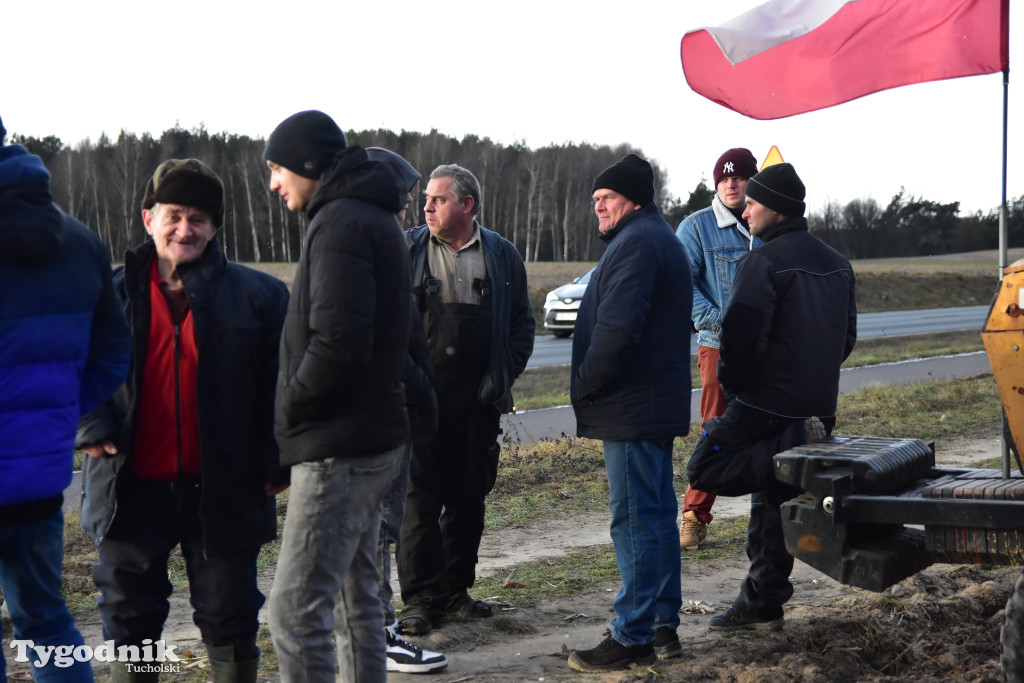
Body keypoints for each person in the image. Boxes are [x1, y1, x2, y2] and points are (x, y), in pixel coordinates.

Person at [76, 158, 290, 682]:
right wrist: (89, 422)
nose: (184, 228)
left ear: (216, 225)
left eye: (198, 217)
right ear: (148, 218)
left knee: (230, 614)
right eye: (173, 214)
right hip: (130, 489)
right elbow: (72, 363)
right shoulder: (108, 294)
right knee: (129, 621)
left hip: (223, 490)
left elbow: (280, 388)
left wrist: (275, 458)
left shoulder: (260, 297)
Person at [264, 111, 412, 683]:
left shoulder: (341, 224)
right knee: (357, 602)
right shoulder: (366, 217)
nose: (275, 184)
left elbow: (339, 344)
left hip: (338, 448)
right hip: (367, 439)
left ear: (306, 164)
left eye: (277, 168)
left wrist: (291, 410)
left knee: (294, 614)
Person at [686, 162, 857, 631]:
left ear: (776, 210)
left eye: (754, 204)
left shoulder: (761, 261)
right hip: (819, 406)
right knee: (774, 500)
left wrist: (741, 391)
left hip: (766, 405)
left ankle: (787, 445)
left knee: (704, 466)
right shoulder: (838, 263)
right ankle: (762, 601)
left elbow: (740, 341)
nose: (746, 213)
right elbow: (846, 340)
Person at [0, 117, 130, 683]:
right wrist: (55, 412)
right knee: (46, 619)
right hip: (35, 478)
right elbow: (110, 352)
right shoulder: (78, 241)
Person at [397, 163, 535, 636]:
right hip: (420, 401)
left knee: (468, 498)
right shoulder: (409, 249)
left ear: (467, 205)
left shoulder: (502, 256)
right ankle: (419, 600)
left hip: (477, 402)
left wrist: (501, 378)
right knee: (418, 502)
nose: (426, 206)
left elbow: (521, 327)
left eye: (438, 199)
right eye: (426, 199)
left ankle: (455, 592)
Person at [568, 153, 692, 672]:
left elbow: (617, 332)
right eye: (595, 199)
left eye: (606, 199)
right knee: (658, 515)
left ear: (634, 199)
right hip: (648, 404)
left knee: (637, 519)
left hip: (632, 406)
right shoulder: (654, 238)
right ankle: (662, 623)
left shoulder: (637, 243)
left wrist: (585, 386)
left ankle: (633, 632)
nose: (597, 208)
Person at [364, 147, 447, 674]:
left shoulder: (380, 238)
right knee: (378, 529)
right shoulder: (378, 241)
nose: (413, 201)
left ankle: (369, 629)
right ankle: (377, 634)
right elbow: (388, 337)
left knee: (380, 527)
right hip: (383, 413)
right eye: (407, 191)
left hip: (392, 407)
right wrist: (420, 390)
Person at [675, 148, 761, 549]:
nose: (731, 183)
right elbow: (682, 285)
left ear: (752, 182)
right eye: (725, 178)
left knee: (775, 425)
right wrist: (719, 322)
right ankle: (694, 515)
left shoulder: (766, 225)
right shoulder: (696, 227)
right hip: (718, 347)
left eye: (740, 177)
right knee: (716, 426)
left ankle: (781, 511)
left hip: (766, 349)